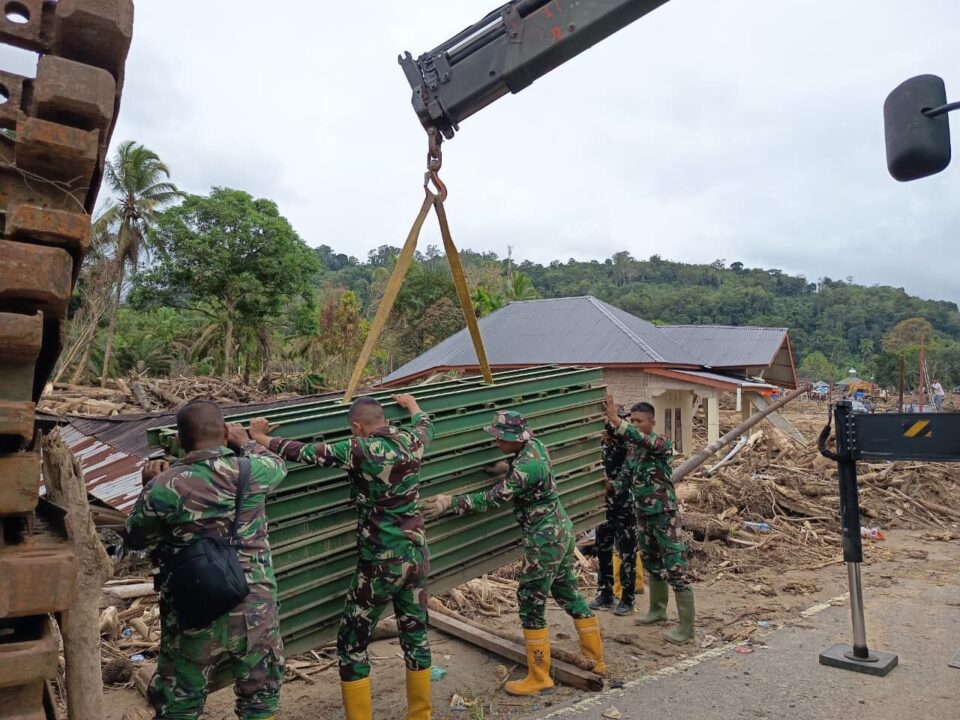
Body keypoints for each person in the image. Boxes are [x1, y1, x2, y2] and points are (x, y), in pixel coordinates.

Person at [248, 394, 433, 720]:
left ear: (357, 427)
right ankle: (421, 715)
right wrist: (413, 404)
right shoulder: (411, 440)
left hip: (381, 563)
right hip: (417, 556)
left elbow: (304, 452)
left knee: (351, 645)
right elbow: (425, 424)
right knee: (416, 635)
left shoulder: (359, 449)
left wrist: (260, 437)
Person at [420, 410, 604, 695]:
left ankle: (539, 675)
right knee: (567, 591)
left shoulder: (524, 471)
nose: (495, 442)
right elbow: (526, 468)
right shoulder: (535, 446)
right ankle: (596, 658)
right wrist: (507, 467)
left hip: (545, 540)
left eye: (499, 438)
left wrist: (449, 502)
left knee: (530, 600)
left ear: (512, 438)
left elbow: (493, 498)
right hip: (560, 531)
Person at [124, 400, 288, 720]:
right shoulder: (253, 470)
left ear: (181, 441)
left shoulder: (164, 485)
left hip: (194, 607)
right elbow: (278, 464)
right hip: (253, 605)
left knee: (181, 700)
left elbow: (134, 537)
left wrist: (147, 486)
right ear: (225, 432)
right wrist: (247, 441)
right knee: (260, 699)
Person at [603, 395, 695, 644]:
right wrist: (608, 485)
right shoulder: (633, 451)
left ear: (651, 422)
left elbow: (637, 437)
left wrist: (616, 421)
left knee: (675, 568)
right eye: (631, 420)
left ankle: (686, 629)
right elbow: (623, 480)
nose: (634, 424)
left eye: (638, 421)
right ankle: (657, 611)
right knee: (653, 564)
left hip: (664, 515)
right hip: (643, 516)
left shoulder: (661, 442)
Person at [590, 408, 643, 615]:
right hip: (603, 506)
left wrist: (607, 420)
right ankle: (605, 593)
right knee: (602, 549)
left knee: (627, 552)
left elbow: (619, 434)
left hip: (623, 505)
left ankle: (627, 599)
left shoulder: (625, 444)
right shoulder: (600, 447)